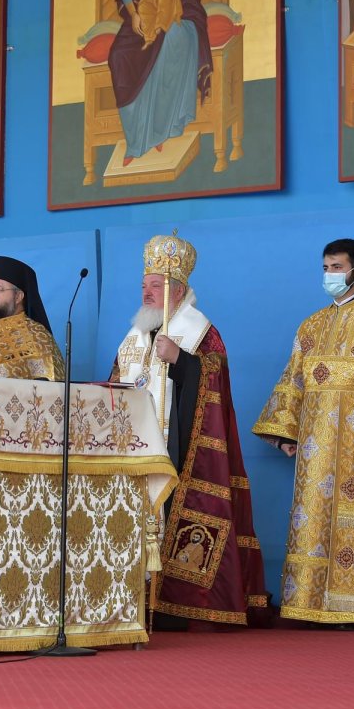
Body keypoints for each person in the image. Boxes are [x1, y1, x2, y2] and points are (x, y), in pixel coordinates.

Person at [110, 233, 267, 626]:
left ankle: (172, 603)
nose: (147, 293)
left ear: (177, 291)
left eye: (156, 287)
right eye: (144, 286)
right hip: (133, 450)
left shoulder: (201, 332)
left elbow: (216, 382)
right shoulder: (132, 337)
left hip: (177, 446)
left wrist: (181, 359)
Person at [253, 239, 354, 625]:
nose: (330, 275)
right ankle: (307, 602)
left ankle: (353, 606)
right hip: (314, 440)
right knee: (314, 516)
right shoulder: (311, 324)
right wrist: (286, 432)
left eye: (337, 267)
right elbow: (294, 380)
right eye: (325, 268)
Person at [109, 0, 211, 166]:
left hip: (180, 7)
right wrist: (134, 14)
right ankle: (136, 141)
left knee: (171, 40)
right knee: (118, 55)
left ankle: (159, 130)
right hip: (144, 9)